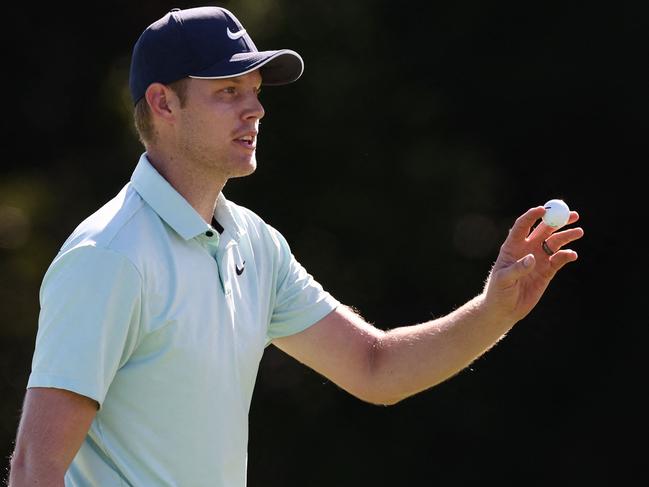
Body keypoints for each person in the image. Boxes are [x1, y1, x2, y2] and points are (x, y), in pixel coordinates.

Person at [8, 6, 584, 487]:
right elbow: (37, 467)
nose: (255, 109)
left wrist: (494, 311)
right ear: (163, 104)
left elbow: (374, 367)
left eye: (255, 91)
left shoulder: (256, 244)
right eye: (228, 91)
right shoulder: (109, 257)